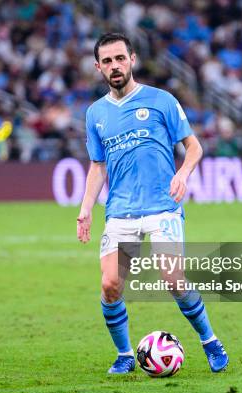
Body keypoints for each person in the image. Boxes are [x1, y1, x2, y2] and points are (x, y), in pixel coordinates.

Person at [76, 33, 228, 374]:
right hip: (120, 212)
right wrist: (86, 207)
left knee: (173, 278)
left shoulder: (161, 100)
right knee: (110, 285)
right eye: (108, 61)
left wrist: (183, 174)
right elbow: (97, 165)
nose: (115, 66)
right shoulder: (95, 113)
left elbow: (194, 147)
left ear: (132, 59)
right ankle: (125, 355)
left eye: (120, 58)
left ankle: (210, 341)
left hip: (162, 207)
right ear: (98, 67)